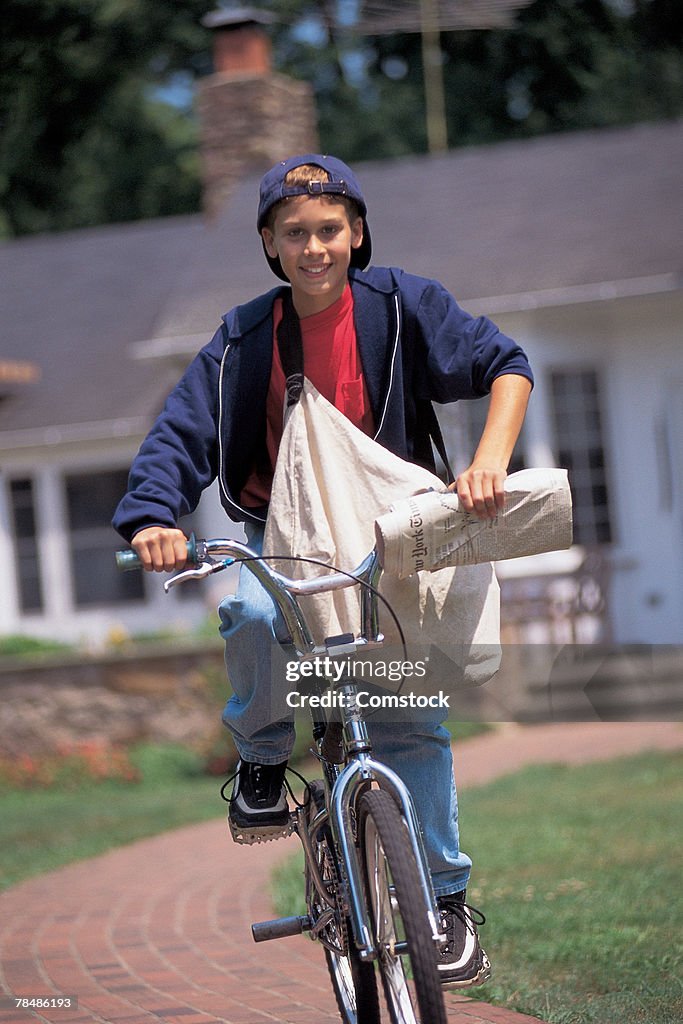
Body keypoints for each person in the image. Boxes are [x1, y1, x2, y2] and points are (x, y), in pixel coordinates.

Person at [113, 153, 533, 988]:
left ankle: (443, 908)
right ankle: (264, 759)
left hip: (391, 531)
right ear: (269, 242)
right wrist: (153, 516)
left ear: (358, 233)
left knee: (407, 719)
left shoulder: (403, 304)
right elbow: (178, 438)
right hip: (288, 529)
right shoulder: (240, 340)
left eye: (329, 231)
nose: (314, 249)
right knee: (260, 618)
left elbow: (505, 365)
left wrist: (487, 463)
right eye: (295, 233)